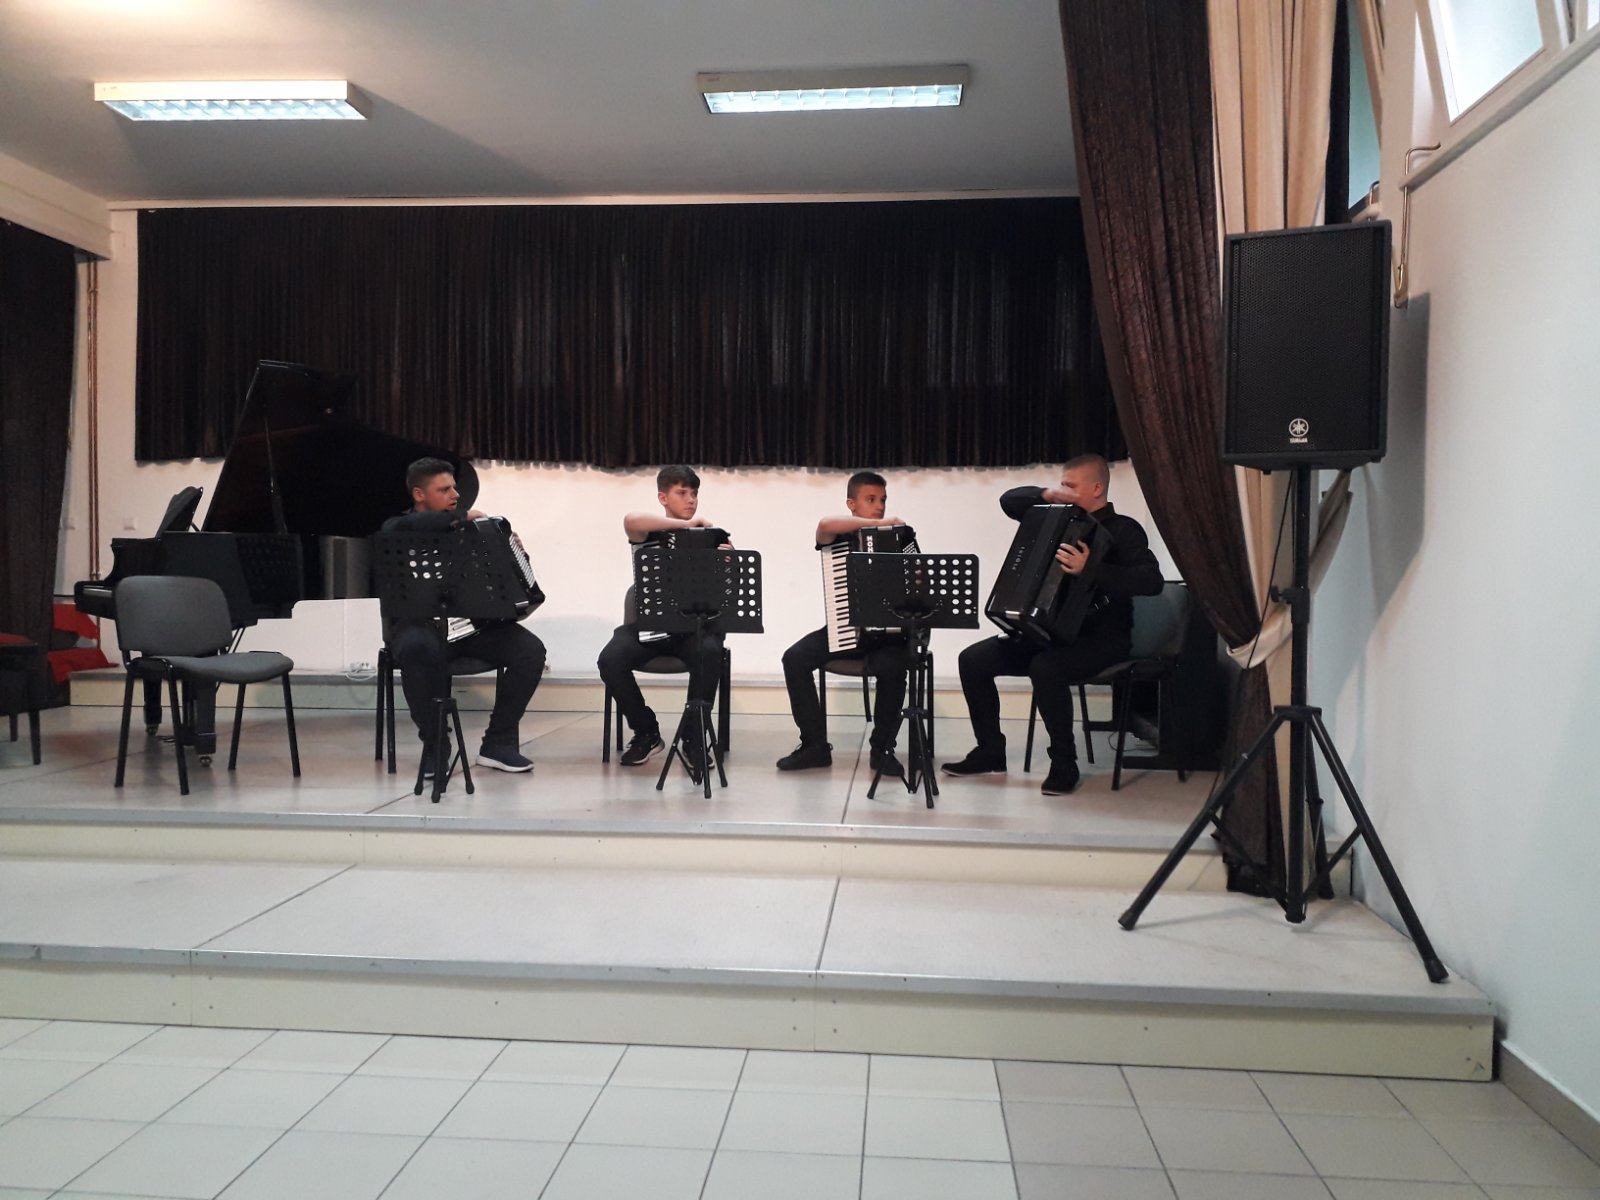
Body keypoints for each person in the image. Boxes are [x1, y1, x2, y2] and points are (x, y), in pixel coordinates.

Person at [941, 453, 1161, 796]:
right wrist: (1047, 495)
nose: (1064, 491)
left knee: (1045, 668)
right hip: (1049, 633)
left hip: (1102, 638)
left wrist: (1091, 569)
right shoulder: (1057, 520)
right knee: (973, 660)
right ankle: (990, 751)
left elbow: (1151, 581)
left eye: (1071, 486)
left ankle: (1064, 764)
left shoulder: (1124, 529)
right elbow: (1009, 501)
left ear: (1097, 488)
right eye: (1062, 485)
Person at [381, 458, 546, 776]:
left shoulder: (472, 531)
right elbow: (397, 528)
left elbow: (498, 584)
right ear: (419, 494)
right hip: (420, 626)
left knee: (530, 650)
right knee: (416, 649)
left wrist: (512, 554)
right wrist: (461, 517)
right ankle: (436, 746)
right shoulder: (398, 529)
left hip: (471, 627)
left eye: (454, 488)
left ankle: (498, 743)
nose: (455, 495)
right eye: (444, 490)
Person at [775, 471, 912, 777]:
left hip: (889, 636)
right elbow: (824, 525)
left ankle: (882, 749)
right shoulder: (839, 536)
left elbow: (916, 582)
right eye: (871, 499)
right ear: (851, 504)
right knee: (794, 658)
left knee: (893, 667)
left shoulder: (899, 538)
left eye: (883, 500)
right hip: (845, 629)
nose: (879, 506)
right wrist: (882, 523)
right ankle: (814, 746)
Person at [597, 465, 728, 769]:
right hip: (650, 626)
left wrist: (728, 563)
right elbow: (631, 520)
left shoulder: (711, 536)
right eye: (682, 493)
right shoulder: (648, 533)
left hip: (693, 629)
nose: (691, 499)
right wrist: (687, 525)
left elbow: (725, 596)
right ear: (663, 498)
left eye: (694, 493)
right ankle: (646, 732)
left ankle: (693, 738)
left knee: (710, 652)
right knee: (610, 659)